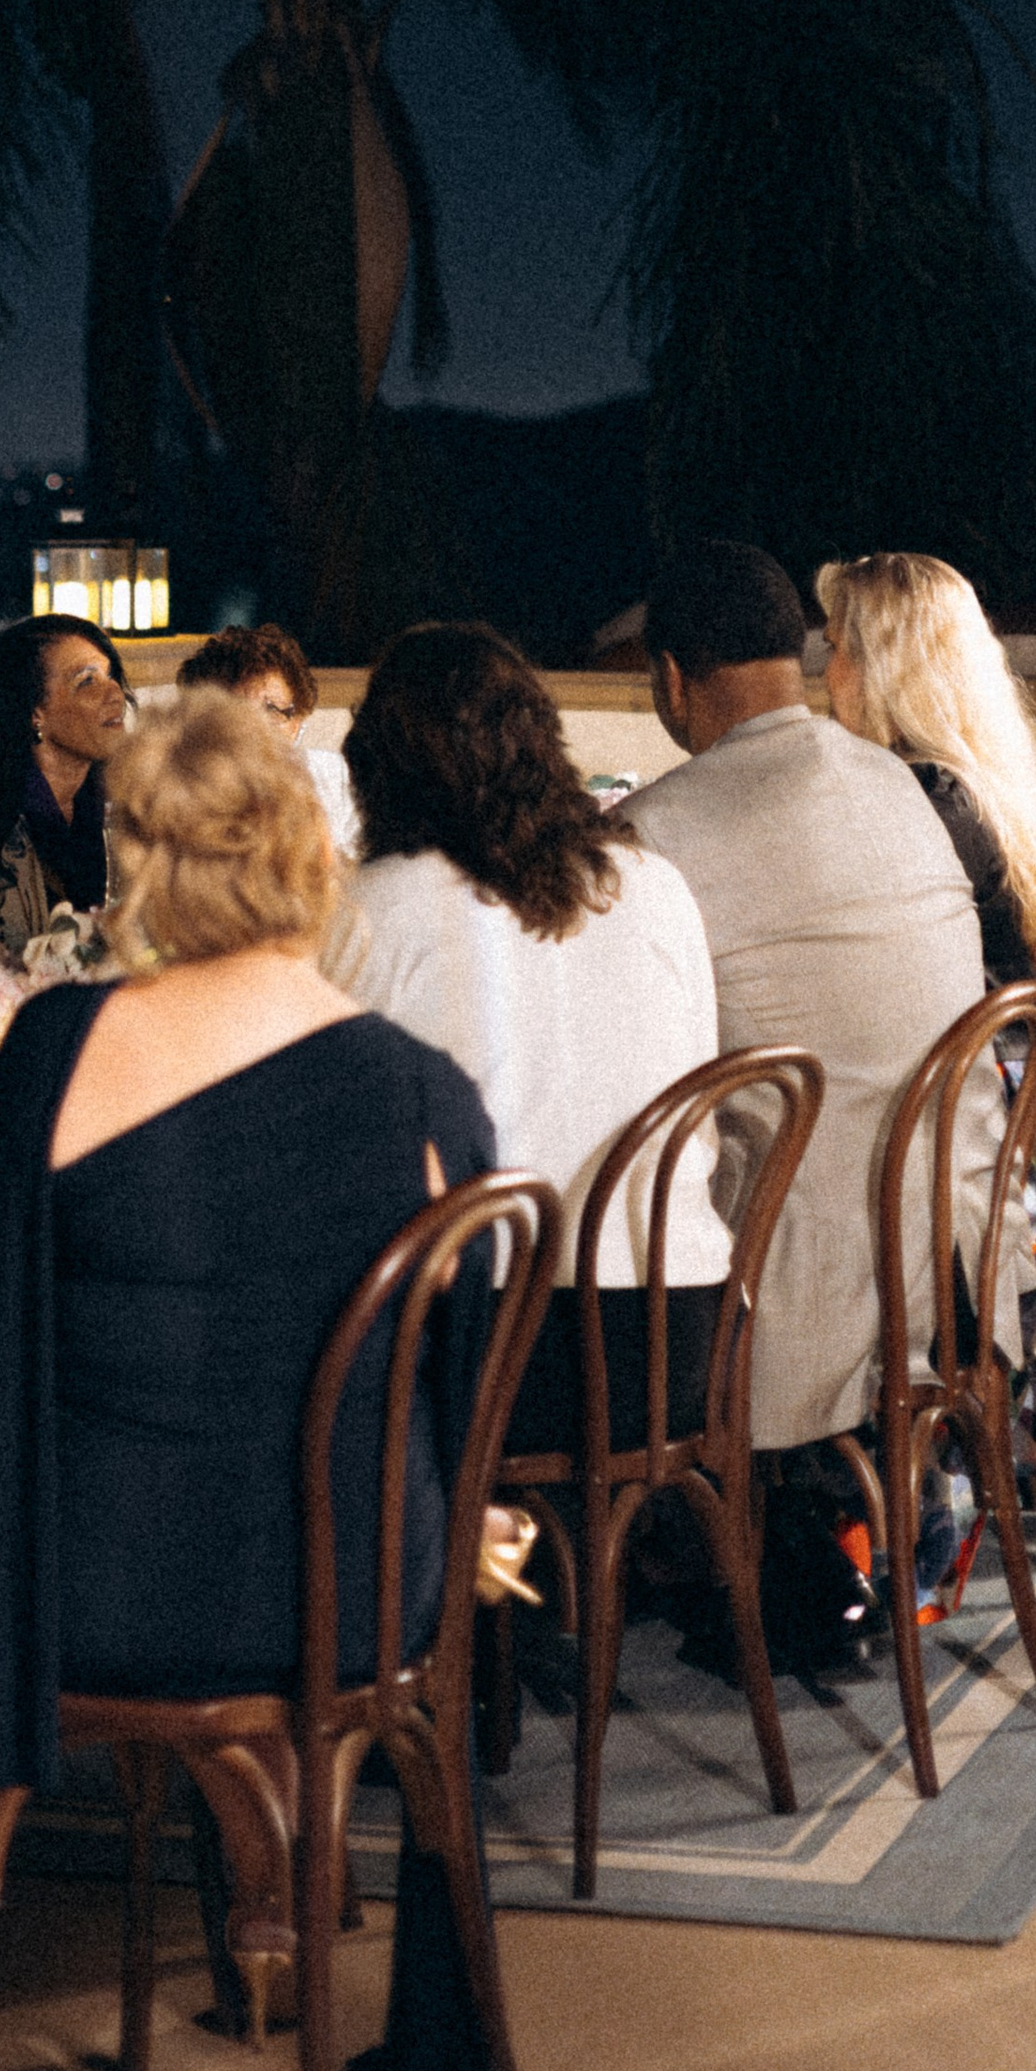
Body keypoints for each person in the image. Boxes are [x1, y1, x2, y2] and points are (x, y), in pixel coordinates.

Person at [0, 686, 500, 2067]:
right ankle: (288, 1893)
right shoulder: (423, 1092)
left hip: (94, 1590)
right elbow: (458, 1390)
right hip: (355, 1591)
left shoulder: (53, 1052)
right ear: (307, 848)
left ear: (135, 856)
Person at [630, 541, 1003, 1457]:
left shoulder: (652, 834)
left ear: (674, 680)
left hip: (797, 1304)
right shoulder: (904, 784)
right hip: (963, 1264)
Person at [332, 621, 729, 1459]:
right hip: (674, 1335)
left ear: (379, 767)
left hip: (497, 1348)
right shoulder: (655, 886)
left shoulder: (376, 909)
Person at [817, 553, 1036, 984]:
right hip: (1003, 1041)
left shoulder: (930, 801)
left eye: (834, 648)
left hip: (968, 1051)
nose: (827, 673)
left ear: (883, 668)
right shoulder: (971, 782)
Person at [0, 613, 130, 955]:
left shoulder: (129, 802)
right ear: (34, 712)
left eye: (111, 676)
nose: (115, 694)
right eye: (87, 681)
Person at [176, 622, 359, 855]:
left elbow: (366, 872)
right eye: (236, 713)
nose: (255, 730)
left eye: (271, 710)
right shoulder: (180, 794)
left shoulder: (334, 779)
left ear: (297, 722)